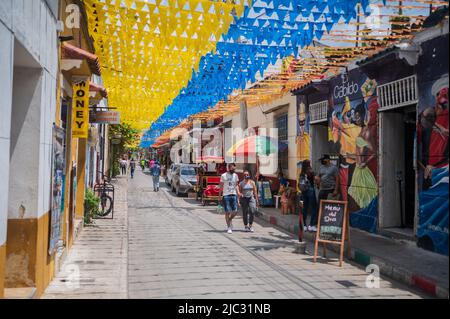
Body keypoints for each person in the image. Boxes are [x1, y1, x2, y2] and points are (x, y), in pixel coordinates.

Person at [218, 163, 241, 234]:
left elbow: (236, 185)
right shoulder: (223, 176)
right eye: (233, 169)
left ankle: (230, 220)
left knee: (235, 211)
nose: (234, 170)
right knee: (227, 212)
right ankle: (229, 227)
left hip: (233, 194)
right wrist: (219, 195)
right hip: (226, 195)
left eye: (234, 169)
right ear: (229, 168)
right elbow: (221, 186)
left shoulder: (236, 175)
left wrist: (238, 192)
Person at [299, 159, 318, 232]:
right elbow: (315, 178)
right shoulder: (310, 171)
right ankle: (312, 225)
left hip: (303, 192)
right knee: (314, 207)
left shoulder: (302, 173)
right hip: (310, 191)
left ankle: (304, 225)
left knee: (304, 209)